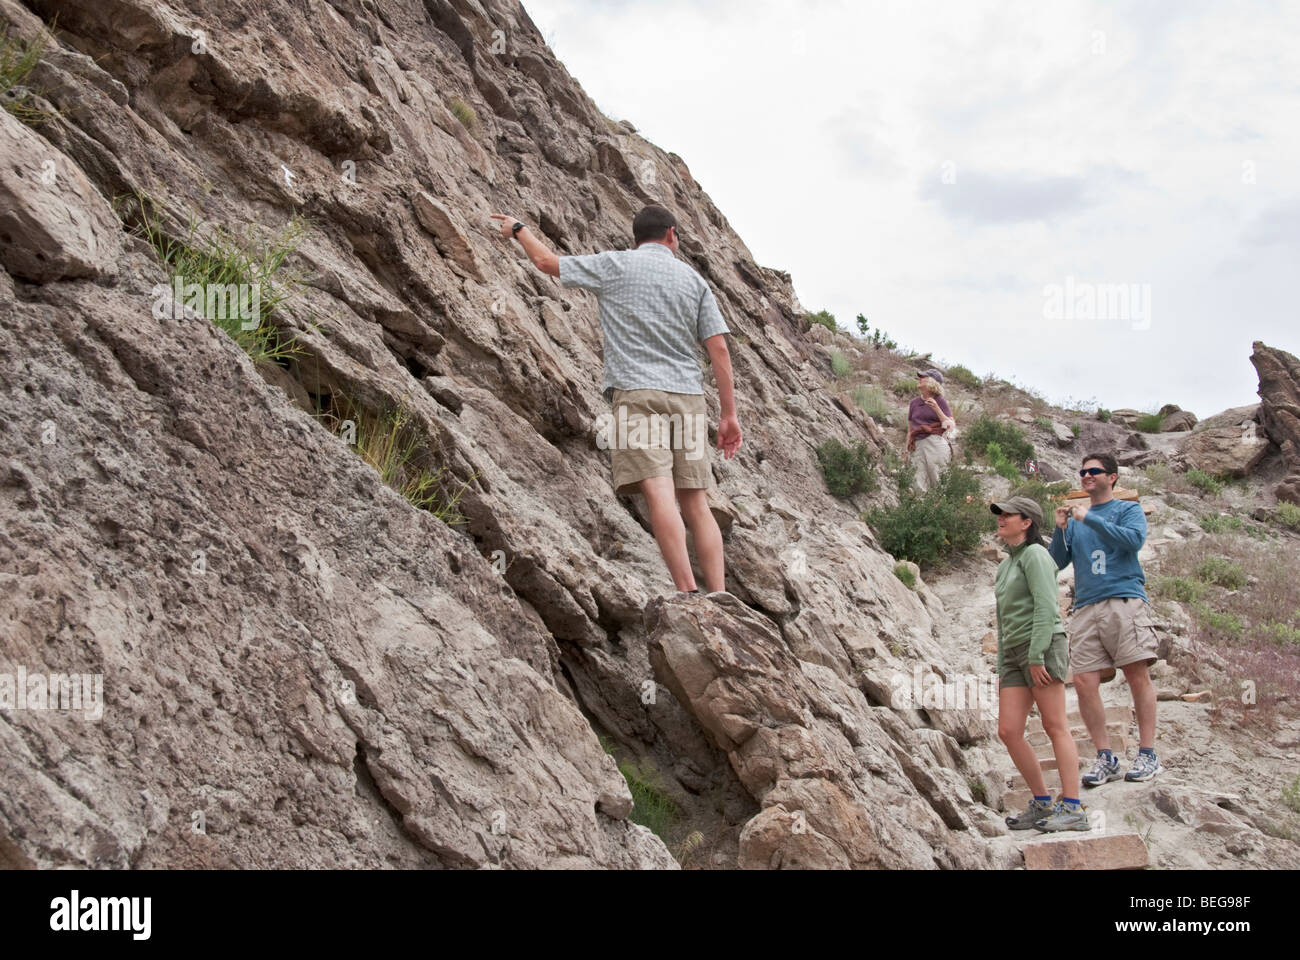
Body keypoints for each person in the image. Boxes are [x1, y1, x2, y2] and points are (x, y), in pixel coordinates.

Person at [489, 205, 742, 596]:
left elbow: (546, 262)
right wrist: (729, 415)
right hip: (688, 398)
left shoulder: (615, 266)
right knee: (696, 501)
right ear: (672, 235)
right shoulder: (694, 282)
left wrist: (518, 228)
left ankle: (689, 595)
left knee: (659, 490)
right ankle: (720, 596)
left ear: (636, 238)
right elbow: (719, 349)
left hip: (637, 392)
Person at [1050, 452, 1162, 786]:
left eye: (1094, 471)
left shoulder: (1127, 509)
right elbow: (1056, 562)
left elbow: (1133, 540)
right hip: (1086, 605)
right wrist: (1059, 530)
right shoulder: (1075, 519)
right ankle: (1105, 756)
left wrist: (1090, 519)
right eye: (1083, 471)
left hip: (1123, 598)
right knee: (1084, 680)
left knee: (1135, 672)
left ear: (1111, 477)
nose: (1086, 476)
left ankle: (1147, 753)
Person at [992, 495, 1089, 832]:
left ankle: (1073, 806)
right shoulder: (1005, 565)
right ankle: (1043, 802)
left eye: (1008, 514)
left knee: (1054, 725)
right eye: (999, 514)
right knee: (1008, 730)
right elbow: (1003, 620)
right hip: (1015, 654)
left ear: (1027, 521)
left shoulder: (1036, 555)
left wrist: (1035, 656)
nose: (1001, 519)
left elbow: (1048, 608)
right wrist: (1004, 664)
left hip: (1043, 649)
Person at [905, 369, 955, 492]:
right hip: (917, 445)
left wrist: (937, 408)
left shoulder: (940, 401)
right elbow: (910, 429)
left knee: (937, 479)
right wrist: (906, 450)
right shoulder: (914, 403)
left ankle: (939, 509)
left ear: (932, 382)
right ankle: (920, 509)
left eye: (923, 377)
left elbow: (950, 426)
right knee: (917, 481)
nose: (919, 378)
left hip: (935, 443)